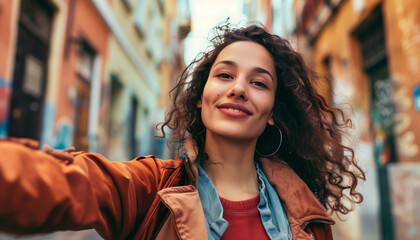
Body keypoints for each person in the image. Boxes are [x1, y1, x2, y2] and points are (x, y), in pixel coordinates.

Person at [0, 24, 365, 240]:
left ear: (272, 112)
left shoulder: (307, 214)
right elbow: (66, 182)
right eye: (224, 75)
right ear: (201, 97)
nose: (238, 88)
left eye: (258, 82)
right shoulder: (151, 191)